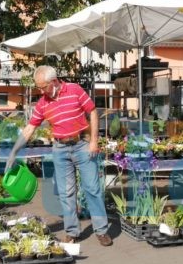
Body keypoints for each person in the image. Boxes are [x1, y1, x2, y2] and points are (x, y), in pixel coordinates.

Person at [7, 66, 112, 246]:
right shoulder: (42, 103)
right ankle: (72, 232)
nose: (41, 91)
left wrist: (94, 141)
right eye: (38, 88)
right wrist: (14, 151)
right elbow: (30, 128)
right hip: (60, 149)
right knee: (66, 193)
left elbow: (93, 111)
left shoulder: (74, 90)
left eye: (43, 87)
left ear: (54, 81)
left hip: (82, 145)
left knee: (92, 189)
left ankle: (101, 230)